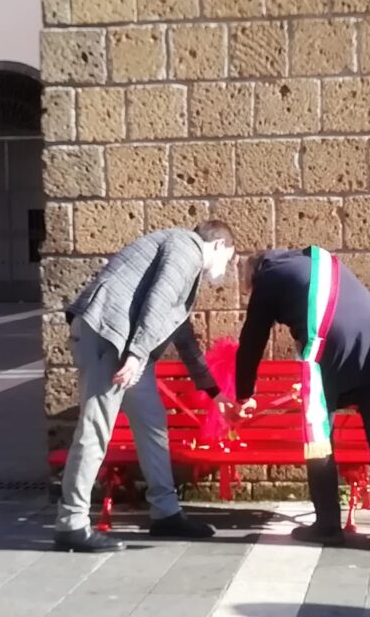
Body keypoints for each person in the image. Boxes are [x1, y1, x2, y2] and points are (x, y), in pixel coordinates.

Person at [54, 220, 237, 553]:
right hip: (107, 335)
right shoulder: (187, 249)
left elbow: (182, 335)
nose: (226, 268)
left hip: (124, 343)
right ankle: (72, 523)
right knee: (96, 428)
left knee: (153, 424)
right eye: (229, 258)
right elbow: (158, 300)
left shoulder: (183, 258)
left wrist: (214, 392)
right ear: (219, 245)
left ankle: (166, 514)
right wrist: (138, 355)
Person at [235, 247, 370, 552]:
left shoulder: (268, 277)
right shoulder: (313, 261)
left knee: (318, 434)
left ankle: (327, 524)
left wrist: (244, 393)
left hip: (330, 345)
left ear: (254, 274)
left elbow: (252, 340)